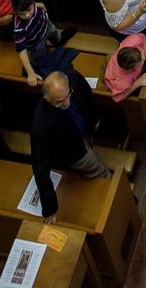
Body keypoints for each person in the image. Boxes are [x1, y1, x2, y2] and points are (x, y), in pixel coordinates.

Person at [30, 68, 113, 219]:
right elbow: (40, 166)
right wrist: (50, 209)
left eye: (68, 95)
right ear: (47, 99)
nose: (67, 102)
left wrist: (94, 122)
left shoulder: (73, 78)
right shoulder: (41, 123)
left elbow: (88, 98)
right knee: (97, 170)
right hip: (74, 152)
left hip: (84, 130)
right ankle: (113, 194)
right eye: (60, 102)